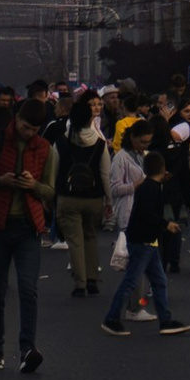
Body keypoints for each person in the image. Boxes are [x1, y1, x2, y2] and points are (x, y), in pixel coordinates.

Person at [0, 95, 53, 373]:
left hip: (28, 227)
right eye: (25, 126)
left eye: (34, 129)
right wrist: (0, 180)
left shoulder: (44, 148)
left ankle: (27, 349)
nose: (28, 132)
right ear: (16, 119)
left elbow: (50, 191)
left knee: (28, 289)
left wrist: (34, 186)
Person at [102, 141, 185, 342]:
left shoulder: (148, 186)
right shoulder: (152, 189)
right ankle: (112, 318)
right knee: (132, 281)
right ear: (162, 169)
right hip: (143, 241)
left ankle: (165, 320)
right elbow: (148, 213)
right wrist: (166, 224)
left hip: (146, 240)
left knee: (158, 281)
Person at [51, 106, 111, 301]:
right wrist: (109, 199)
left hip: (67, 198)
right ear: (90, 120)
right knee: (91, 237)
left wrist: (50, 196)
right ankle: (92, 278)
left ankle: (80, 283)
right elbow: (105, 174)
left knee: (75, 241)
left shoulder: (61, 142)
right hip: (94, 197)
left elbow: (53, 173)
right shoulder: (100, 143)